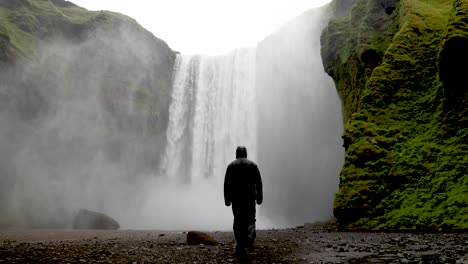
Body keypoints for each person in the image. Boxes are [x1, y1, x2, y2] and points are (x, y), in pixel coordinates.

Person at [224, 146, 263, 255]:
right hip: (250, 198)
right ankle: (249, 240)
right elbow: (258, 183)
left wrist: (227, 199)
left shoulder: (231, 166)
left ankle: (240, 244)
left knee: (237, 220)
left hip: (236, 198)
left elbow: (227, 184)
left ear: (236, 153)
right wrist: (259, 198)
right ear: (246, 153)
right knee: (250, 220)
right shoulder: (253, 165)